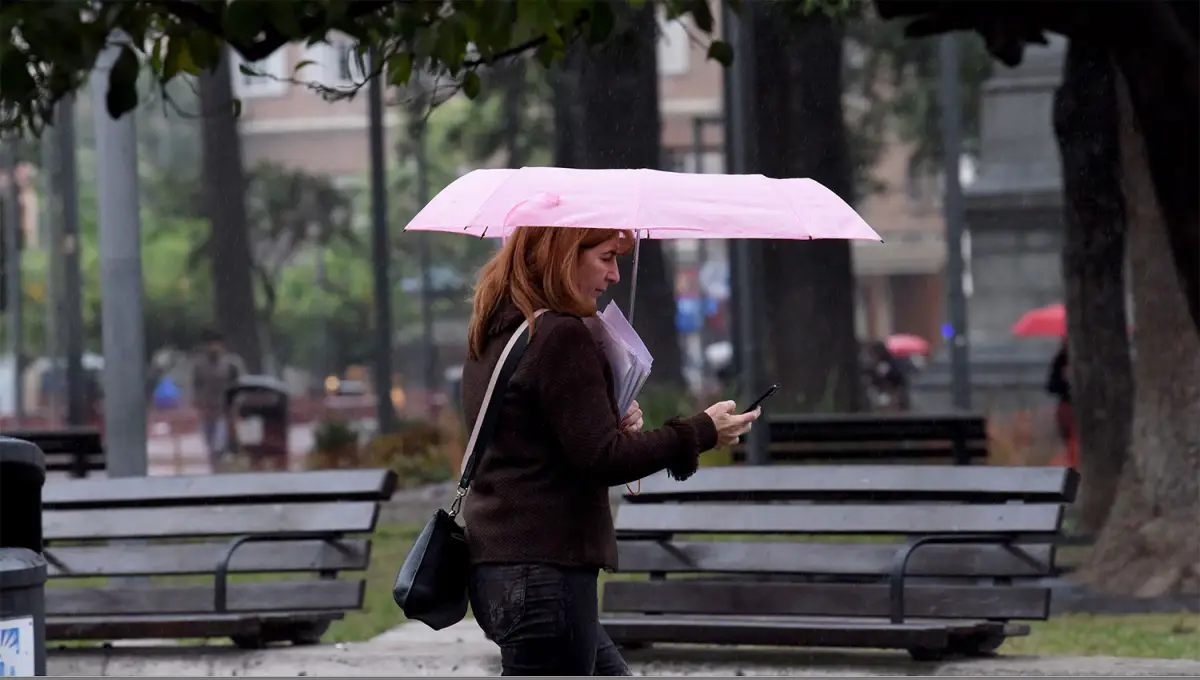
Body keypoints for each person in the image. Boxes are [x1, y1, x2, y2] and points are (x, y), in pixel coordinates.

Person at [460, 226, 760, 676]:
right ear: (564, 255)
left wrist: (602, 418)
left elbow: (530, 444)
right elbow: (604, 459)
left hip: (499, 570)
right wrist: (701, 430)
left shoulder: (500, 329)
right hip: (546, 575)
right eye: (605, 257)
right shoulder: (561, 336)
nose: (615, 274)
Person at [191, 329, 245, 472]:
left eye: (215, 343)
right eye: (209, 343)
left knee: (220, 445)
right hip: (208, 412)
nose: (212, 347)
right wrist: (199, 405)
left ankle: (222, 469)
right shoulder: (200, 366)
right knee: (211, 447)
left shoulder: (232, 364)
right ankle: (215, 470)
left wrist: (236, 408)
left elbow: (240, 386)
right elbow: (196, 387)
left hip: (225, 412)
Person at [1046, 340, 1077, 467]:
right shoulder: (1061, 360)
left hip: (1080, 407)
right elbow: (1051, 386)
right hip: (1067, 406)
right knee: (1070, 440)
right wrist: (1064, 379)